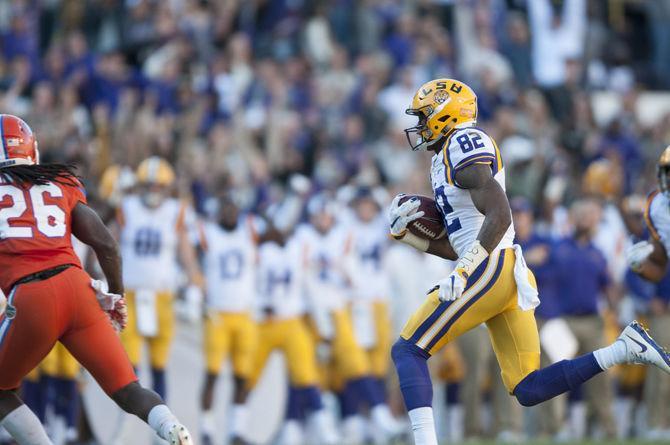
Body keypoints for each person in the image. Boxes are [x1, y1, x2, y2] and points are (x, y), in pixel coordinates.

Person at [388, 79, 670, 445]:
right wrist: (410, 237)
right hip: (498, 272)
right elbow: (459, 243)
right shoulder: (443, 160)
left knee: (408, 349)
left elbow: (501, 214)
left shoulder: (461, 142)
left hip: (490, 266)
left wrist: (464, 269)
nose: (420, 126)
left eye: (425, 116)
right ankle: (625, 348)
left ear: (446, 114)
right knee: (528, 388)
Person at [0, 114, 192, 444]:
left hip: (32, 297)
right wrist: (116, 295)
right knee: (129, 390)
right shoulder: (59, 182)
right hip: (79, 289)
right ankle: (175, 429)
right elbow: (105, 243)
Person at [117, 156, 202, 400]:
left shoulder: (176, 211)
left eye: (158, 186)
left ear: (167, 188)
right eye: (148, 185)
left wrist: (195, 279)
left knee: (159, 361)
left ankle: (160, 418)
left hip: (162, 294)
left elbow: (185, 251)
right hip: (131, 293)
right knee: (128, 360)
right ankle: (130, 416)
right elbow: (110, 243)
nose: (153, 191)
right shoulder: (127, 207)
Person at [199, 196, 258, 445]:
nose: (230, 214)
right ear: (218, 212)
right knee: (212, 373)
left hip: (244, 313)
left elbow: (278, 233)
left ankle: (237, 431)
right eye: (226, 209)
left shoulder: (250, 231)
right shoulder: (209, 233)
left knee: (241, 377)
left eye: (234, 208)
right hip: (218, 314)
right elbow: (189, 256)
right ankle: (207, 430)